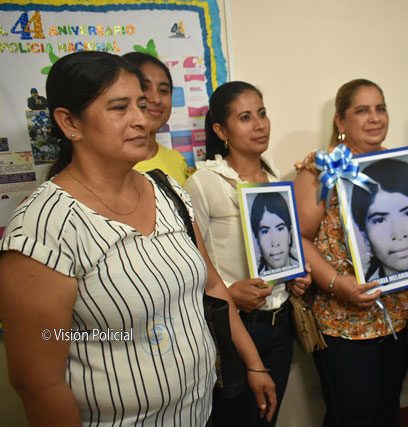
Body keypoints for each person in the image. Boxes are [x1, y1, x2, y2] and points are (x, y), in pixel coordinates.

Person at [0, 51, 276, 426]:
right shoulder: (43, 227)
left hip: (201, 414)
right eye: (119, 108)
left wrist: (253, 364)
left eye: (142, 106)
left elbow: (212, 286)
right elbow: (38, 384)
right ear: (70, 123)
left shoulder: (168, 192)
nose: (141, 120)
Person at [184, 81, 311, 427]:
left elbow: (278, 248)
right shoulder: (204, 182)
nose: (259, 125)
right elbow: (191, 261)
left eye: (262, 113)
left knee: (267, 417)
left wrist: (294, 274)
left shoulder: (273, 177)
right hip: (235, 327)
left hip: (279, 323)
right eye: (245, 118)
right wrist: (230, 290)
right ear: (221, 130)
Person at [294, 78, 408, 427]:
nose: (375, 118)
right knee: (353, 416)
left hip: (394, 315)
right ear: (340, 121)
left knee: (387, 408)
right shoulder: (321, 168)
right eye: (362, 110)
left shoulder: (399, 165)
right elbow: (299, 238)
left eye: (380, 108)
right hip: (342, 319)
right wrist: (336, 283)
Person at [122, 52, 191, 185]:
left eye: (164, 90)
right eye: (144, 87)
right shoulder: (107, 164)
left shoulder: (177, 160)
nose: (156, 99)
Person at [250, 192, 300, 274]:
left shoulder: (301, 267)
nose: (274, 242)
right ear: (257, 241)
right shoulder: (256, 278)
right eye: (265, 232)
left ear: (290, 235)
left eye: (280, 229)